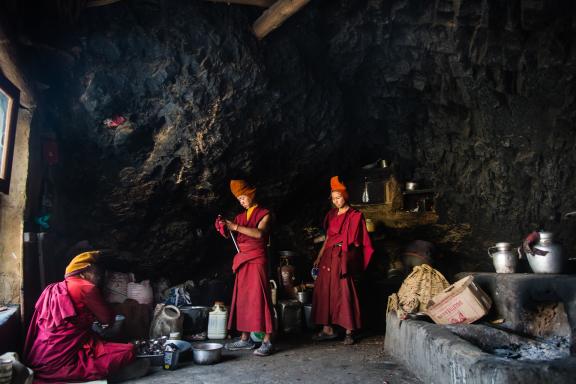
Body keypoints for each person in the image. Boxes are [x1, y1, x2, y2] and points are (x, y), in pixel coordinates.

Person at [24, 251, 149, 383]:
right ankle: (112, 375)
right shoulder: (86, 287)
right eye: (96, 273)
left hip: (39, 355)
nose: (99, 277)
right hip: (62, 358)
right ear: (84, 271)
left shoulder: (54, 288)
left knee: (99, 344)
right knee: (128, 350)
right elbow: (107, 318)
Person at [215, 179, 275, 356]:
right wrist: (223, 227)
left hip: (257, 259)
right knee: (244, 299)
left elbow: (259, 233)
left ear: (250, 195)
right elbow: (232, 233)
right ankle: (245, 339)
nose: (241, 201)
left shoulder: (265, 213)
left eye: (243, 197)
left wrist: (235, 227)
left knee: (261, 298)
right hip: (243, 260)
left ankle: (268, 340)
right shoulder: (240, 217)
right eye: (239, 199)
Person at [311, 176, 374, 345]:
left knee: (345, 291)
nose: (336, 201)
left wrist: (346, 257)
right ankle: (327, 329)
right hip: (328, 255)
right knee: (324, 291)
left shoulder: (355, 215)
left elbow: (357, 241)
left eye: (338, 198)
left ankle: (349, 330)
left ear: (345, 196)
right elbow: (328, 238)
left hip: (343, 255)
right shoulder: (331, 215)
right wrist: (319, 256)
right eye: (333, 199)